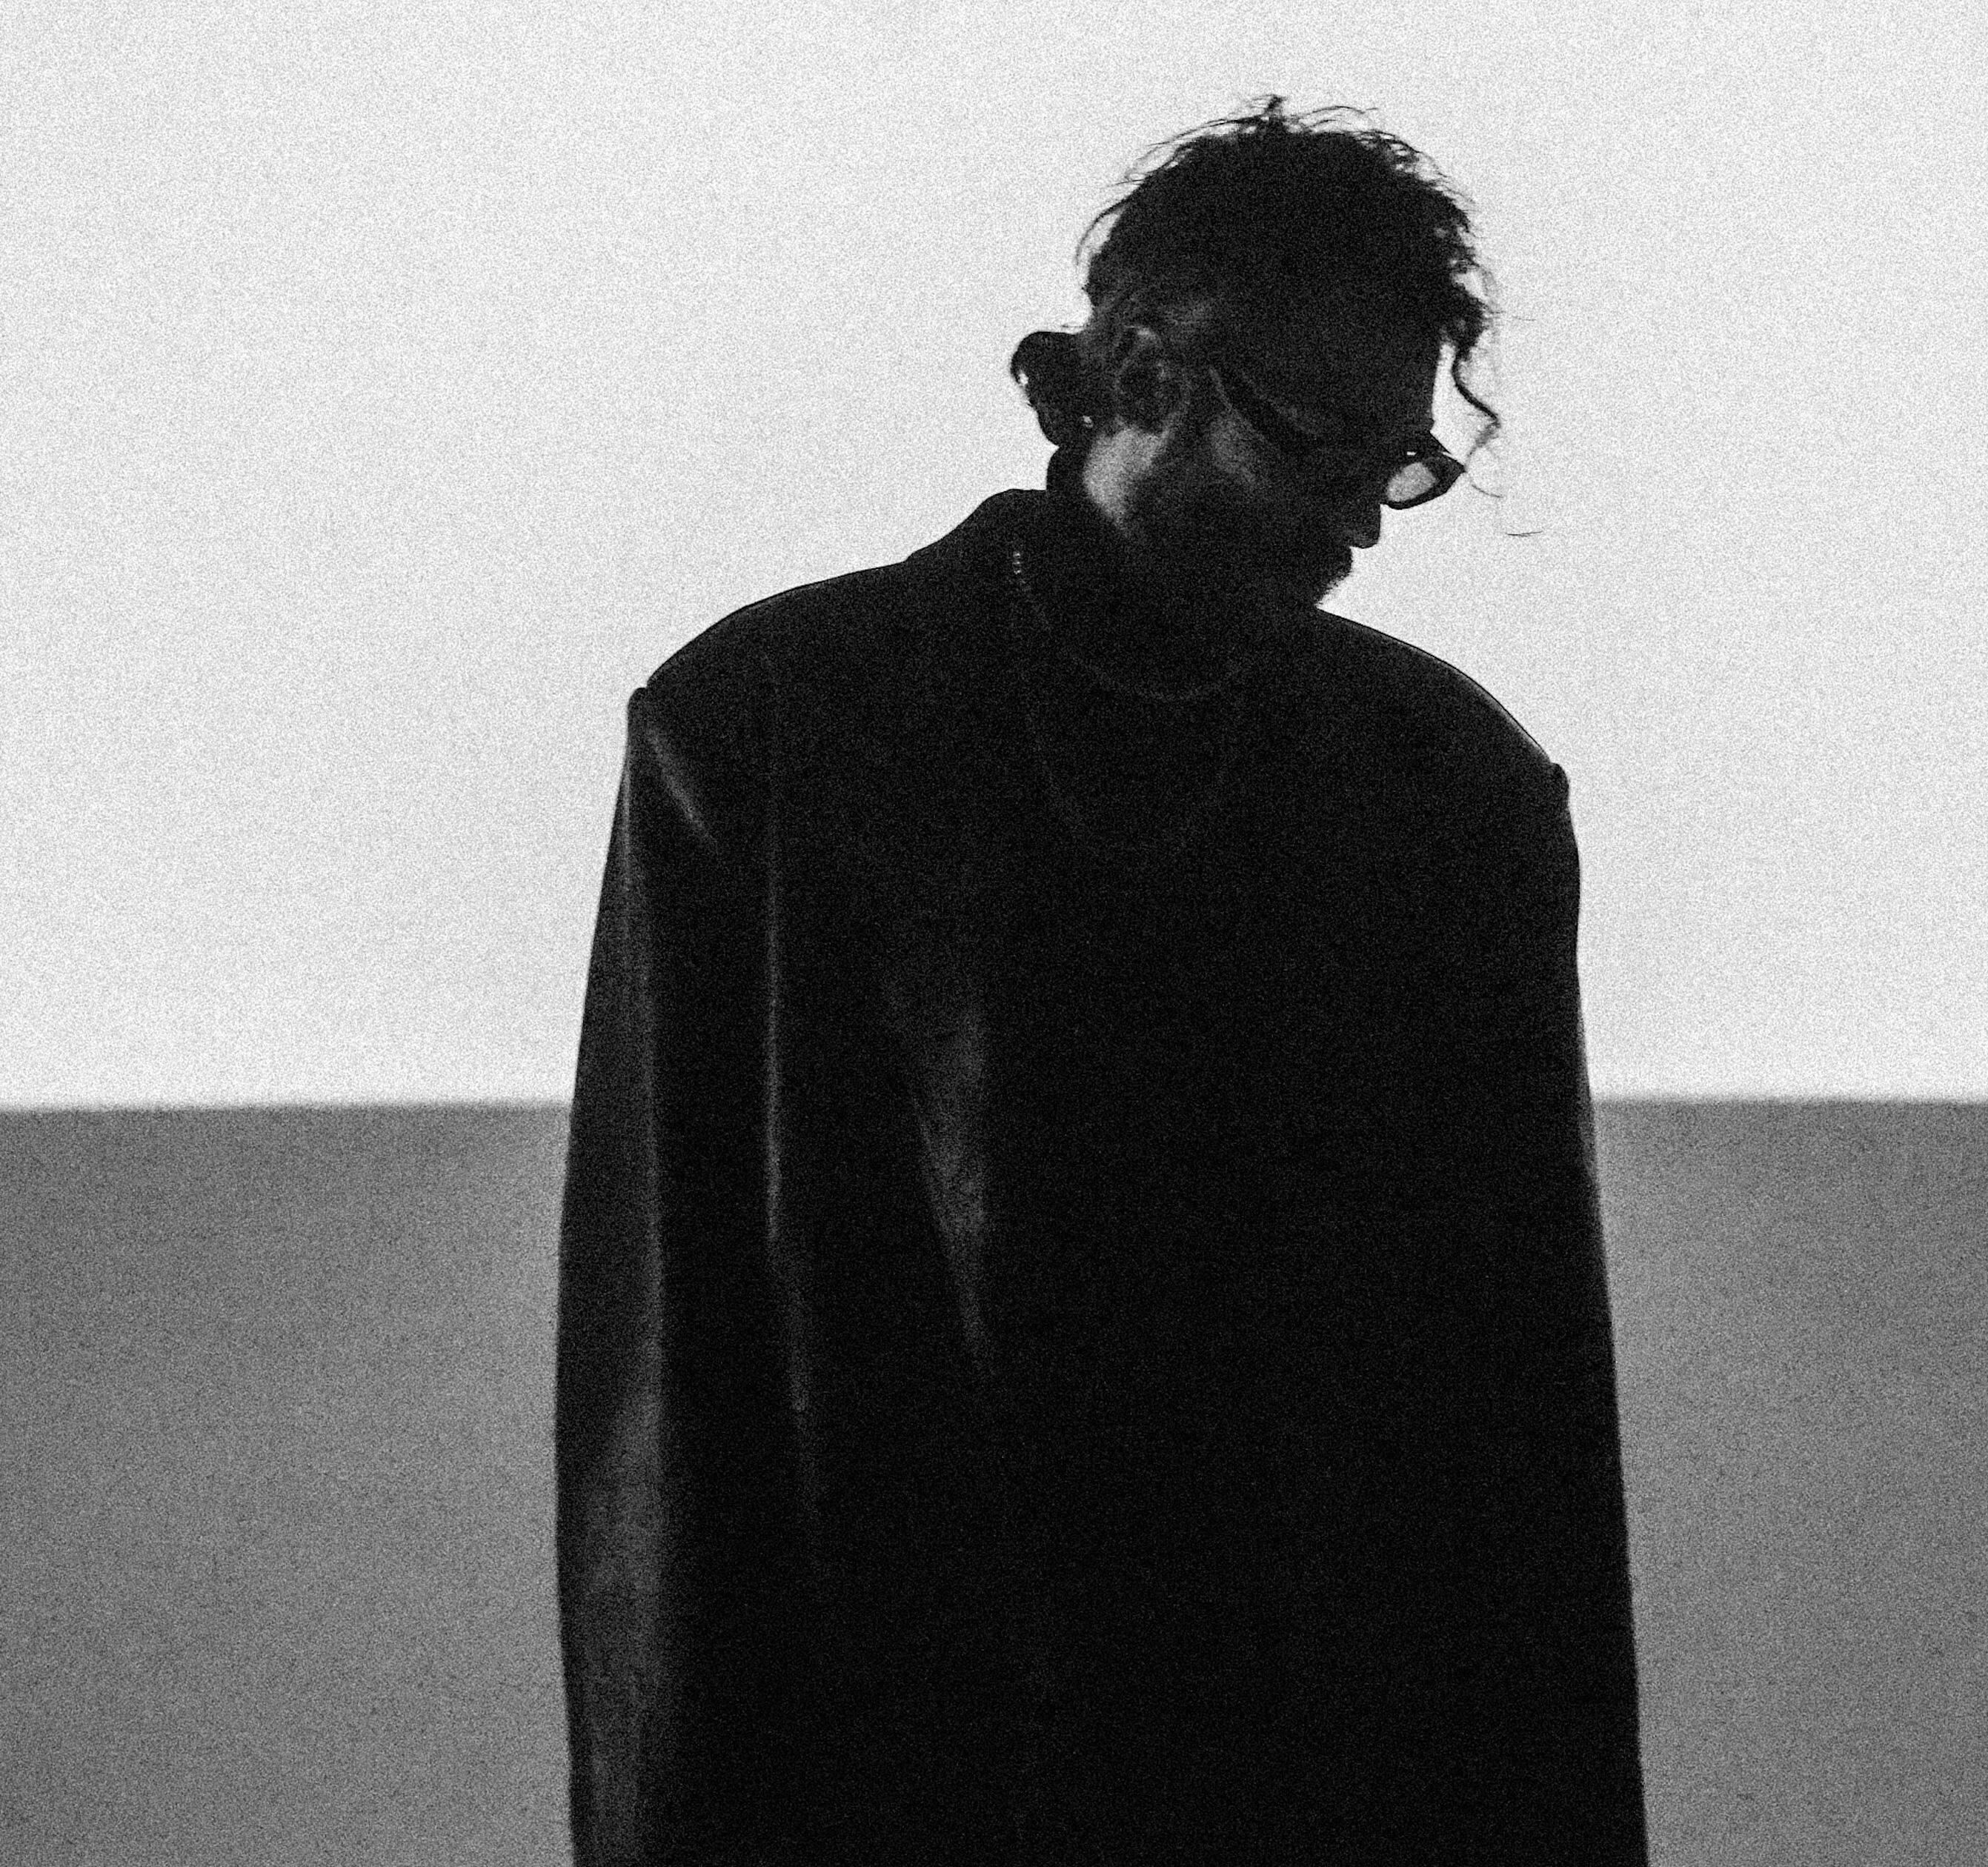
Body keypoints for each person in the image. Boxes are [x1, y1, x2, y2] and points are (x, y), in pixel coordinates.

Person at [555, 97, 1649, 1864]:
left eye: (1402, 468)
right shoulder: (759, 735)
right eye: (1322, 451)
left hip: (1315, 1782)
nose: (1365, 525)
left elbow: (1522, 1443)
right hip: (895, 1775)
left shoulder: (1450, 792)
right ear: (1140, 374)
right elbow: (674, 1409)